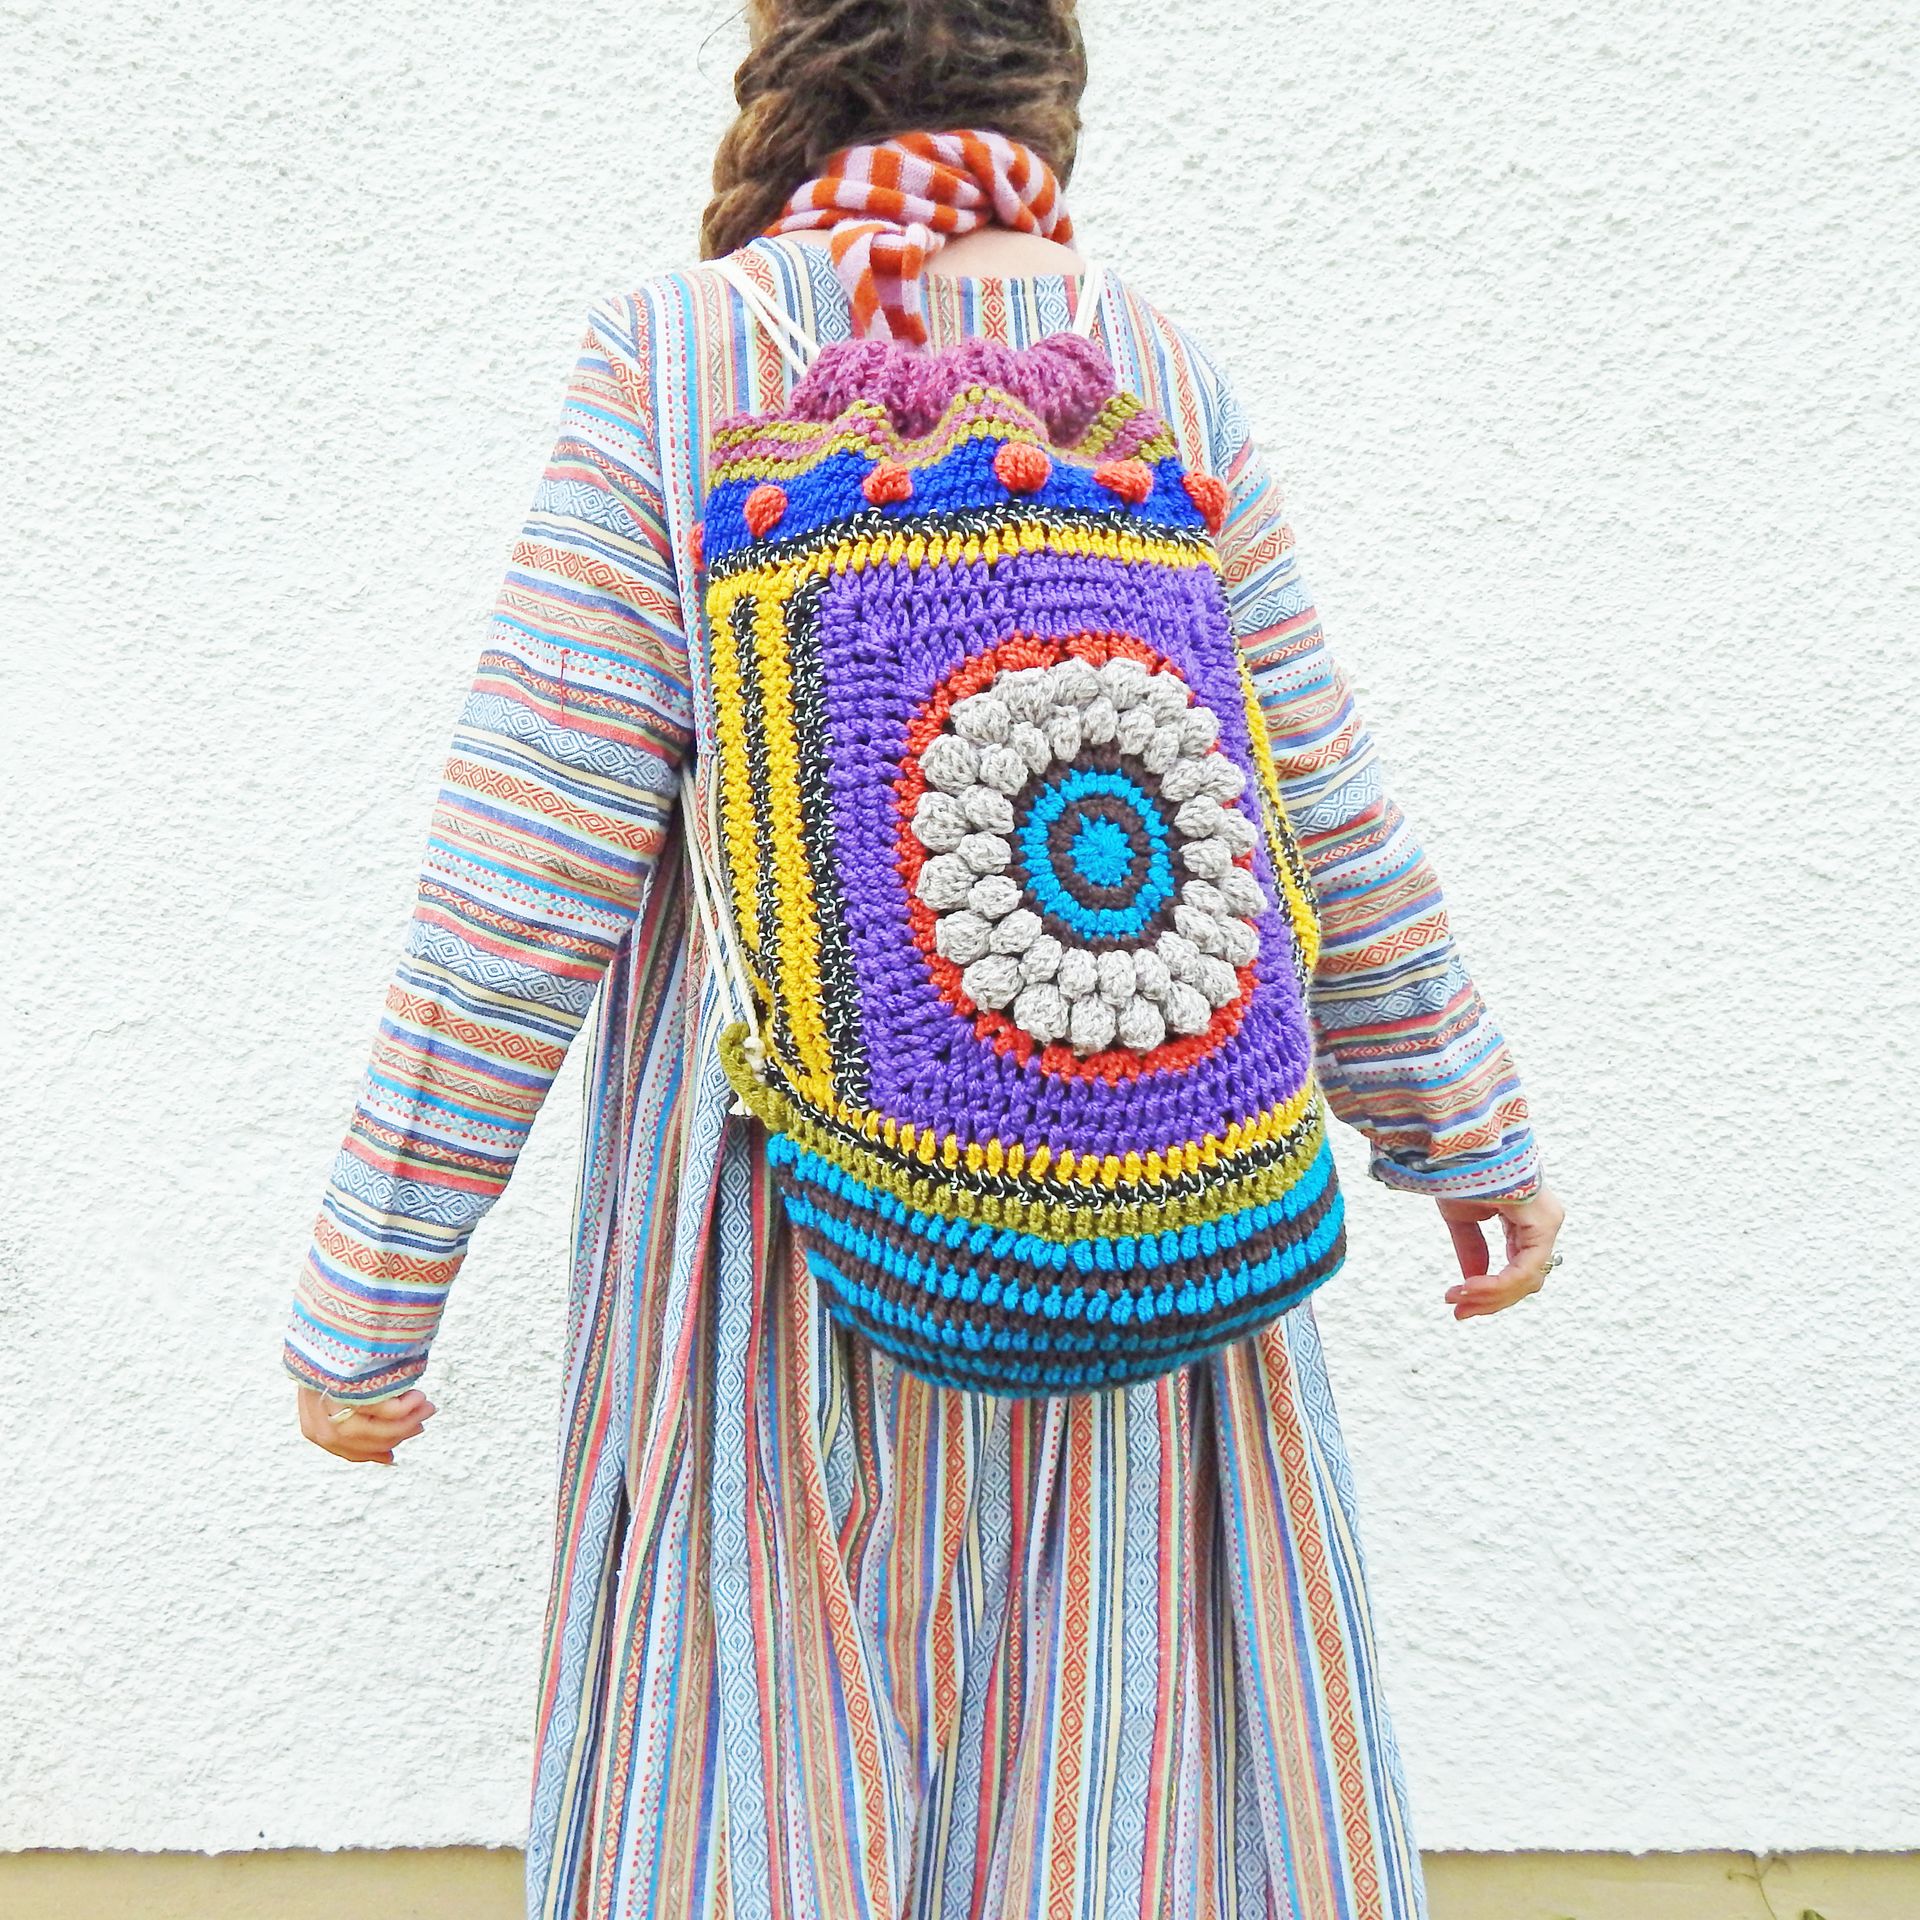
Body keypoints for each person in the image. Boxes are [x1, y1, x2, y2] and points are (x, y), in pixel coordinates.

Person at [285, 4, 1565, 1916]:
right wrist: (1465, 1130)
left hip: (776, 1244)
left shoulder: (692, 355)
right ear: (1037, 81)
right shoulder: (1150, 372)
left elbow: (524, 855)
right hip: (1144, 1224)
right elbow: (1313, 802)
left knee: (763, 1782)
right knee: (1121, 1772)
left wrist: (374, 1288)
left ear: (796, 67)